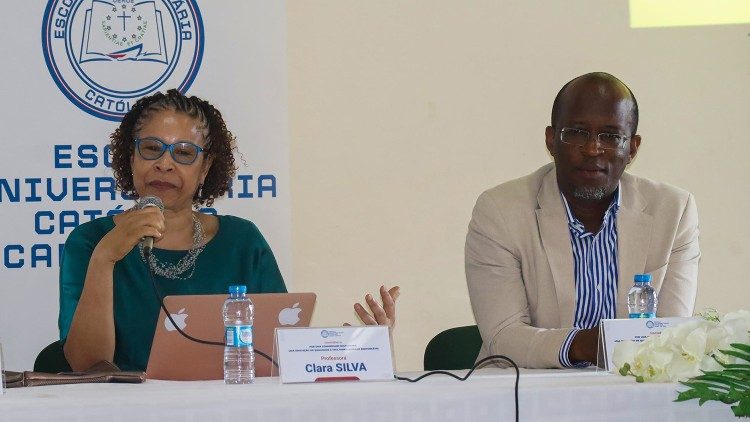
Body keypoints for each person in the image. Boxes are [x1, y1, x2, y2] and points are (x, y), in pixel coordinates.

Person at [59, 90, 399, 372]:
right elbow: (86, 364)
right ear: (131, 158)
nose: (164, 163)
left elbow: (282, 356)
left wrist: (363, 350)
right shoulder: (90, 242)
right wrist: (105, 257)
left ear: (205, 168)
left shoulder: (242, 241)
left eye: (183, 152)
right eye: (151, 148)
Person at [465, 72, 699, 369]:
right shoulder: (501, 210)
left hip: (633, 396)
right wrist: (587, 345)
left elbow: (672, 335)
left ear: (633, 148)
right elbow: (504, 337)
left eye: (611, 136)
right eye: (576, 133)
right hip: (527, 395)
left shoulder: (673, 211)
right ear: (551, 141)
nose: (592, 149)